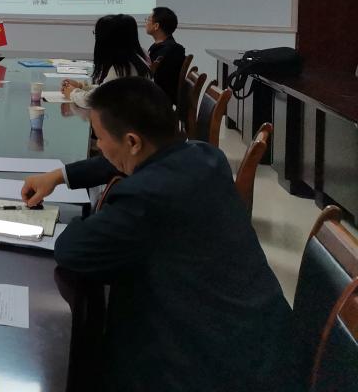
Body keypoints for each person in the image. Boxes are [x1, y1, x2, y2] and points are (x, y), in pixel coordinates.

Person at [22, 78, 299, 392]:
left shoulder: (145, 198)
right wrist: (60, 176)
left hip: (210, 369)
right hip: (264, 347)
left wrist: (83, 220)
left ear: (133, 142)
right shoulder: (204, 157)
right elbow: (114, 162)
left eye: (100, 137)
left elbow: (72, 250)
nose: (99, 146)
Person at [63, 14, 149, 108]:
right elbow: (107, 90)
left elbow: (94, 100)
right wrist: (81, 86)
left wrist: (72, 93)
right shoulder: (135, 60)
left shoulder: (119, 70)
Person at [145, 6, 185, 105]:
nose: (146, 22)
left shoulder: (170, 50)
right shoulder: (161, 46)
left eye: (148, 20)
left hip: (158, 102)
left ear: (156, 26)